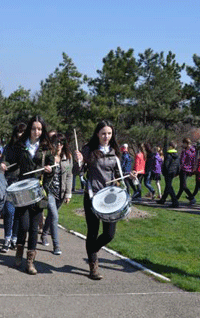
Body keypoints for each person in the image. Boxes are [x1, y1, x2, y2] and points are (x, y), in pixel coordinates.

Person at [3, 115, 55, 275]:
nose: (36, 132)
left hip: (38, 191)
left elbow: (52, 167)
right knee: (23, 225)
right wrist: (4, 165)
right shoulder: (20, 146)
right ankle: (19, 252)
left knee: (34, 228)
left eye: (39, 129)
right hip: (23, 190)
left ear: (43, 130)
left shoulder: (46, 149)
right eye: (34, 128)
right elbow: (11, 161)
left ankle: (30, 261)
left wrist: (49, 171)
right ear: (29, 129)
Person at [80, 120, 128, 280]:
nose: (106, 136)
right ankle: (93, 267)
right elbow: (76, 171)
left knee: (109, 234)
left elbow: (118, 174)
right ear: (97, 134)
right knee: (93, 231)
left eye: (109, 133)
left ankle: (92, 250)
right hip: (92, 197)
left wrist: (124, 178)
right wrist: (78, 161)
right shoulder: (88, 150)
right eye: (103, 133)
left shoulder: (115, 151)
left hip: (109, 199)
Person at [41, 133, 73, 255]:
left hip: (61, 192)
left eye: (61, 142)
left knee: (51, 216)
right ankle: (56, 245)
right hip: (48, 191)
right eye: (56, 142)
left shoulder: (68, 157)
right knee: (54, 216)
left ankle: (44, 234)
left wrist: (68, 194)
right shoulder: (47, 156)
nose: (59, 145)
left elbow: (69, 176)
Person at [0, 122, 26, 253]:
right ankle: (7, 238)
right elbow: (3, 160)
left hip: (23, 183)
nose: (20, 135)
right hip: (10, 181)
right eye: (18, 132)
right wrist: (3, 164)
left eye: (23, 133)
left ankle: (15, 237)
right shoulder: (9, 147)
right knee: (9, 211)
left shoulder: (28, 148)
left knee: (19, 213)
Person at [157, 141, 180, 208]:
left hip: (168, 172)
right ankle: (163, 199)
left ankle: (175, 202)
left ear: (170, 146)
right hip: (173, 172)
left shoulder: (168, 154)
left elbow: (166, 164)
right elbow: (178, 164)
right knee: (168, 186)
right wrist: (177, 172)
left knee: (169, 186)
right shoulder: (177, 155)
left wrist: (163, 171)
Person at [176, 138, 197, 205]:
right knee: (182, 185)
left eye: (183, 143)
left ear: (186, 143)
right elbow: (194, 161)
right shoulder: (193, 151)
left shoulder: (185, 151)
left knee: (183, 185)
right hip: (189, 169)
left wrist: (179, 168)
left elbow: (182, 160)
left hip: (184, 169)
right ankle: (176, 198)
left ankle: (192, 197)